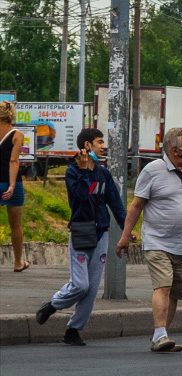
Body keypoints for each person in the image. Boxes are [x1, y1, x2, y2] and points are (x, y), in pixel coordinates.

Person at [34, 130, 128, 345]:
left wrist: (126, 229)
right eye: (100, 142)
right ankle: (52, 305)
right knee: (80, 285)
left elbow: (115, 203)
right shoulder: (72, 171)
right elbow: (81, 198)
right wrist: (85, 170)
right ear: (87, 144)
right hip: (80, 232)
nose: (103, 146)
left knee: (92, 288)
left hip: (101, 234)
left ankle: (73, 330)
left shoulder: (104, 174)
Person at [117, 127, 182, 353]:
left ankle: (160, 337)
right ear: (175, 150)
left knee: (175, 293)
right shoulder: (153, 171)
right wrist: (125, 236)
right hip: (157, 243)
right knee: (163, 285)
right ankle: (160, 334)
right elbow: (136, 205)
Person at [0, 101, 30, 272]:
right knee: (16, 225)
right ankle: (18, 262)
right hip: (13, 183)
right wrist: (11, 186)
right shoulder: (17, 134)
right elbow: (13, 160)